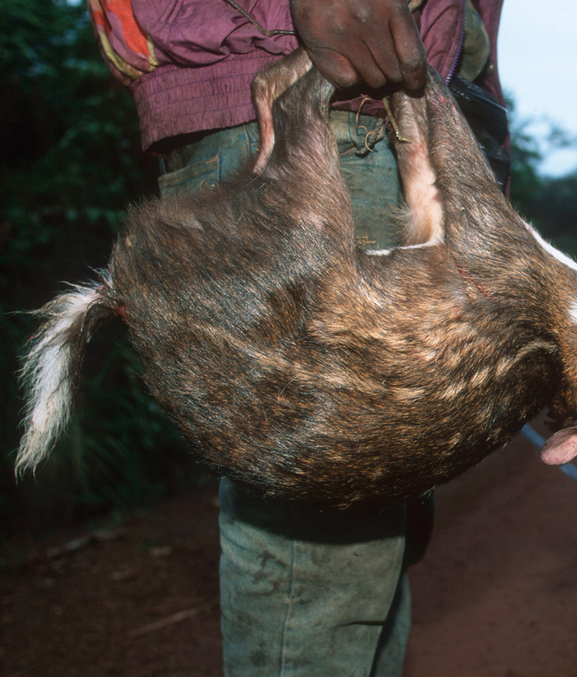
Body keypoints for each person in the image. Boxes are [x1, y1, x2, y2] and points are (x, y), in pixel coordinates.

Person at [86, 1, 508, 674]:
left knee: (370, 539)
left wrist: (481, 133)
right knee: (320, 558)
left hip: (379, 106)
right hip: (327, 106)